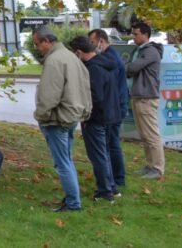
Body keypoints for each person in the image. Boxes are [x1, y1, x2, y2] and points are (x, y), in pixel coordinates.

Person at [32, 26, 92, 212]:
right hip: (71, 116)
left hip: (57, 119)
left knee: (62, 163)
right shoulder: (71, 57)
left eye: (37, 44)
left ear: (46, 41)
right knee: (66, 159)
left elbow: (49, 95)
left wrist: (41, 115)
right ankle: (72, 199)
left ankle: (73, 202)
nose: (37, 48)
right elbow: (85, 86)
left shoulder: (55, 60)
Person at [70, 36, 121, 202]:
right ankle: (111, 186)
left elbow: (94, 96)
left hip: (96, 117)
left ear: (78, 52)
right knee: (105, 153)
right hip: (110, 114)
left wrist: (85, 115)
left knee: (98, 155)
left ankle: (105, 191)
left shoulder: (93, 69)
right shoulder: (107, 63)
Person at [88, 28, 128, 189]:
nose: (91, 46)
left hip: (115, 106)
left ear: (101, 41)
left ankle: (116, 179)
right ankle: (114, 178)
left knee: (111, 144)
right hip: (116, 105)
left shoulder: (109, 59)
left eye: (92, 42)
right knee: (111, 143)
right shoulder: (110, 56)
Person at [125, 21, 164, 179]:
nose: (133, 37)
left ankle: (157, 168)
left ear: (145, 35)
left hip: (146, 98)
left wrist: (122, 66)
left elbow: (132, 68)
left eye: (136, 34)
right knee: (145, 135)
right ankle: (150, 166)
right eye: (133, 34)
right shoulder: (140, 50)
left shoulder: (150, 51)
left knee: (151, 135)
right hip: (139, 96)